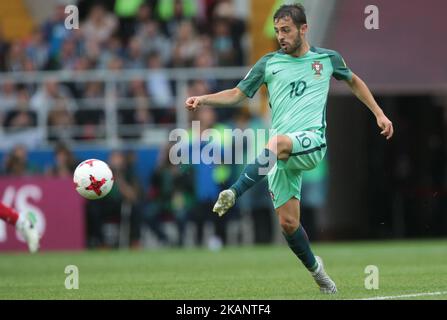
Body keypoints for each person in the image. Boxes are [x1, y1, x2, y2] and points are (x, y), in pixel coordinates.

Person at [185, 3, 394, 294]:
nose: (280, 36)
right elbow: (237, 94)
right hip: (281, 156)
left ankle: (234, 192)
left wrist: (379, 113)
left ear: (303, 29)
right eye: (277, 31)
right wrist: (203, 99)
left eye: (286, 30)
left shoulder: (327, 58)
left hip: (310, 142)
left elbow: (354, 81)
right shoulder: (268, 63)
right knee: (288, 223)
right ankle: (318, 273)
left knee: (276, 142)